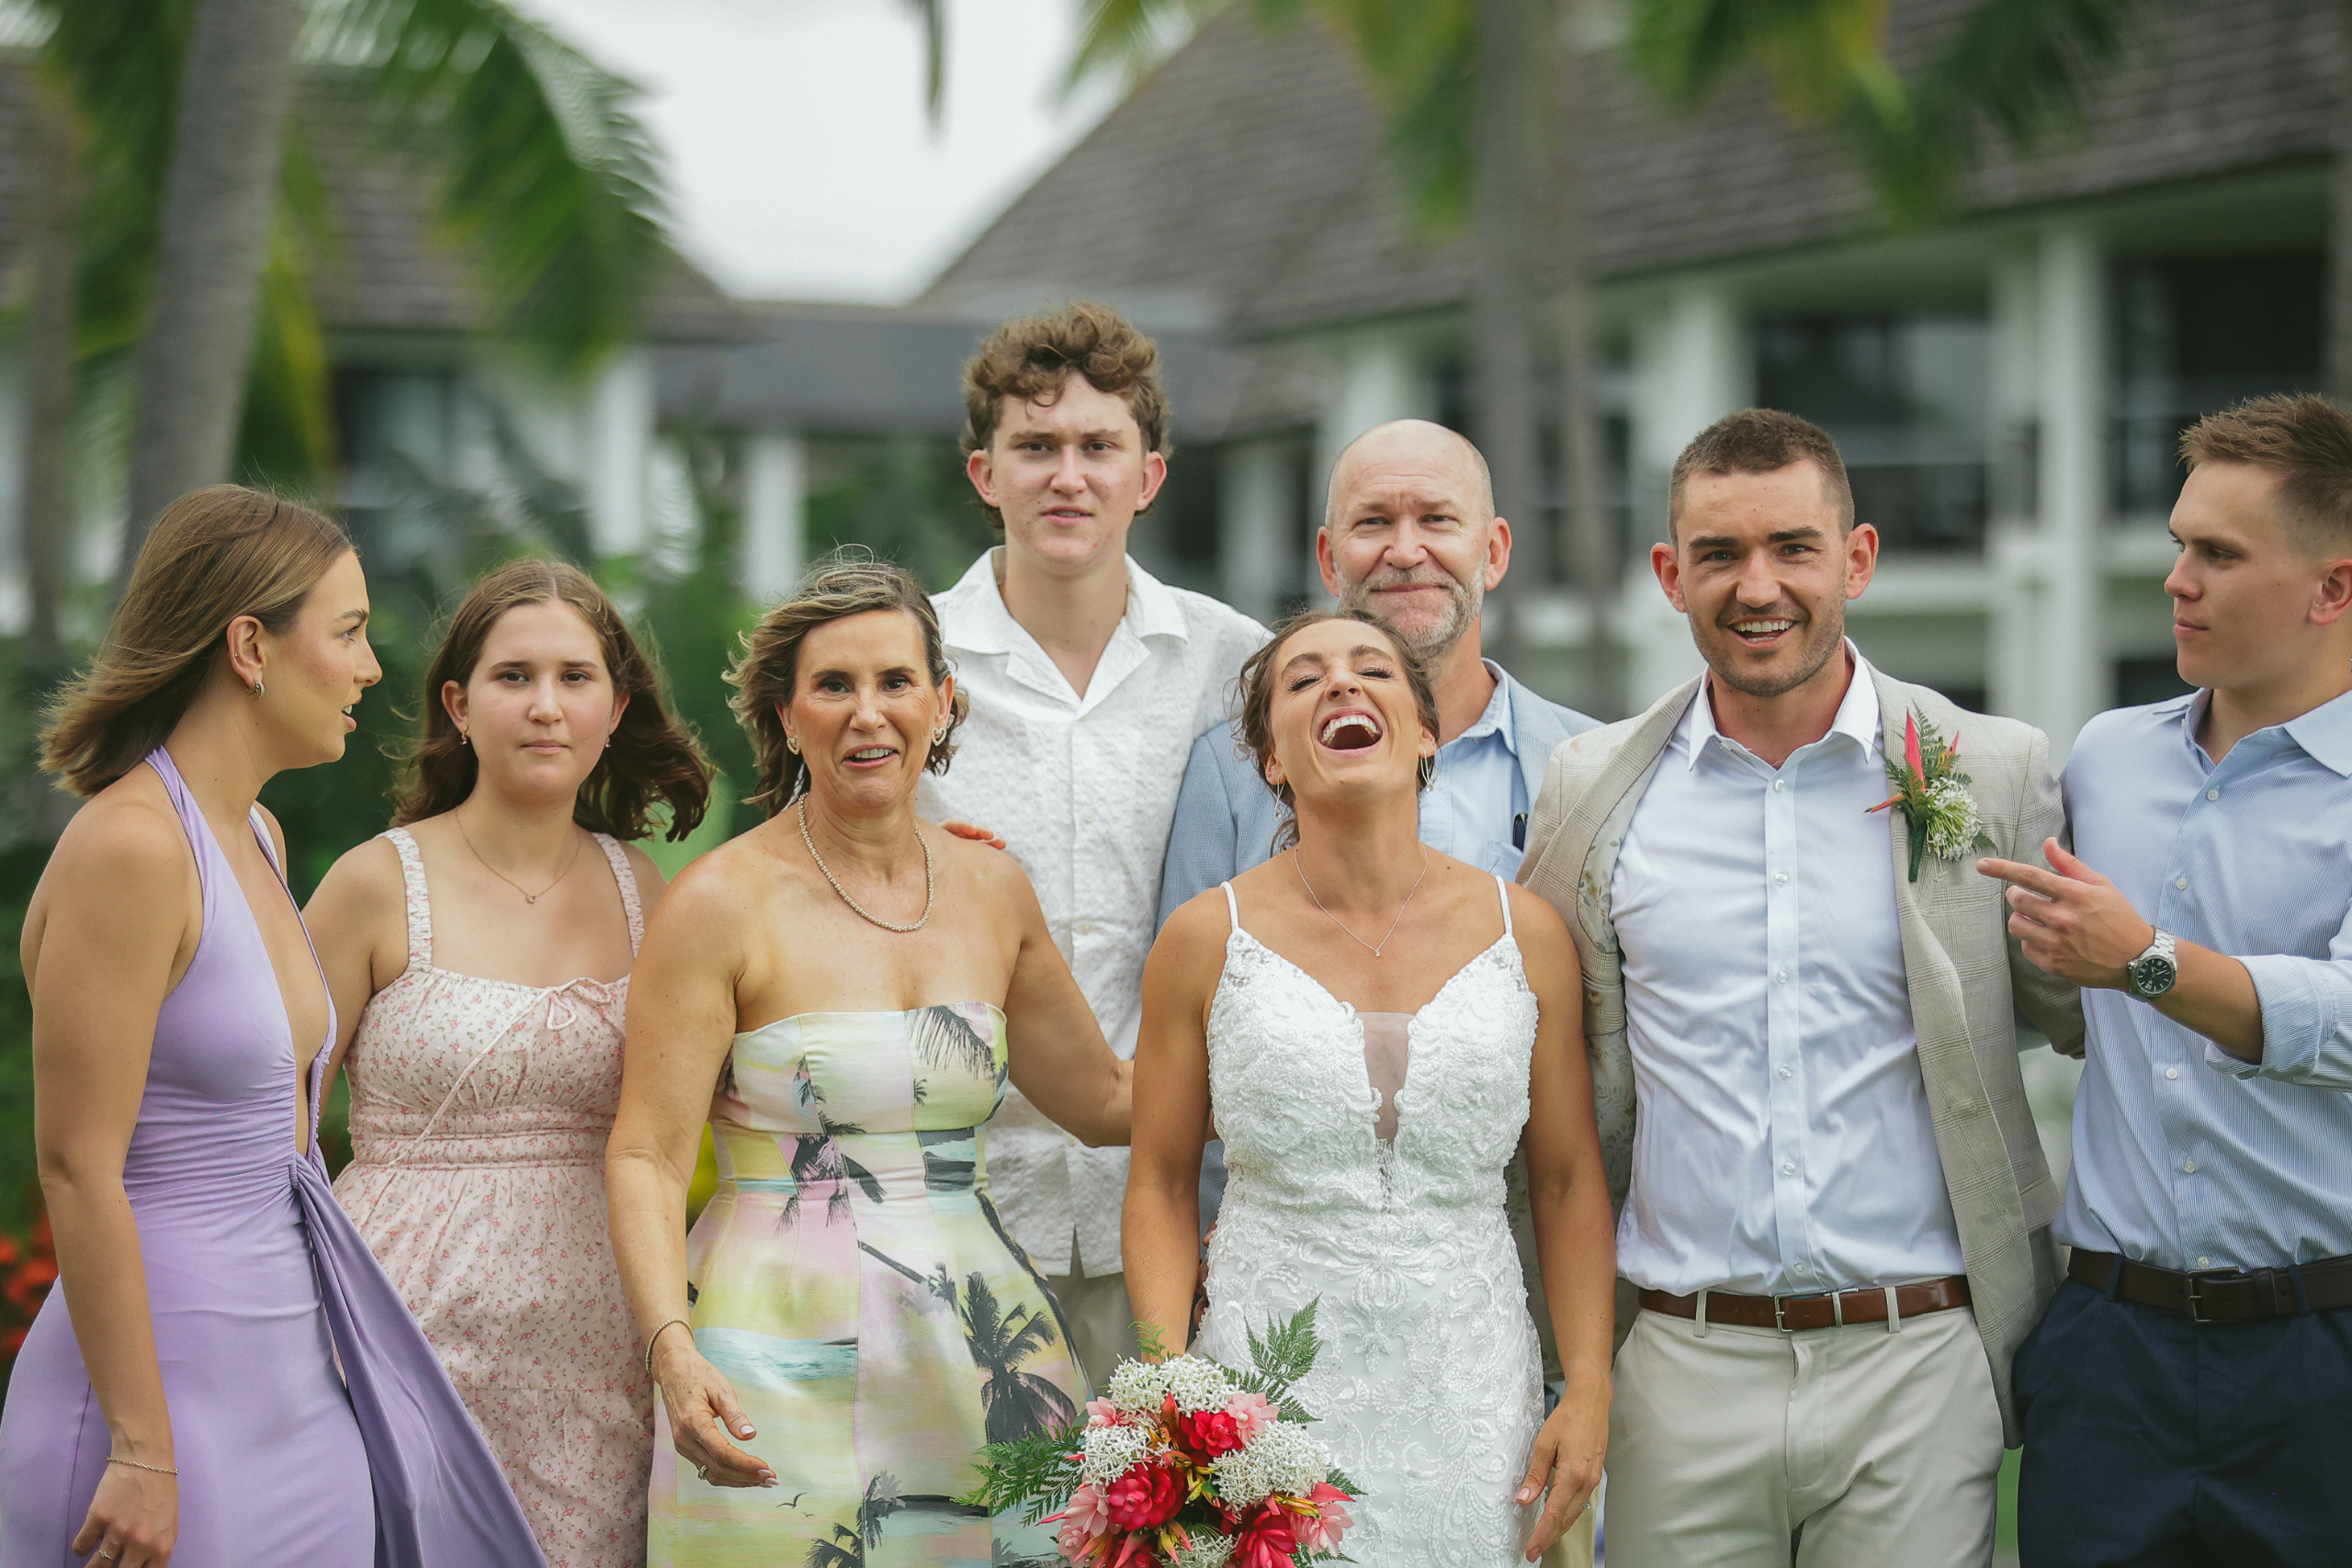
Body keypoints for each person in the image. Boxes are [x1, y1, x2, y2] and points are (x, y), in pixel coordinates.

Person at [1516, 410, 2082, 1568]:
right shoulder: (1588, 791)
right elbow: (1551, 1070)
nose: (1755, 585)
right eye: (1718, 555)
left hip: (1918, 1359)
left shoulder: (1997, 768)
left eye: (1792, 547)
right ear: (1671, 575)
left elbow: (2082, 1022)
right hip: (1681, 1361)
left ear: (1857, 560)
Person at [0, 486, 545, 1568]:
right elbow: (76, 1168)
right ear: (250, 645)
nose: (371, 667)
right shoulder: (133, 850)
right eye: (347, 633)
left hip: (290, 1386)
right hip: (154, 1404)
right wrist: (143, 1449)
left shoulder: (255, 832)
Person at [605, 552, 1134, 1567]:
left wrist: (1291, 1062)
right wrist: (673, 1349)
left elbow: (1106, 1098)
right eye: (833, 686)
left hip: (981, 1351)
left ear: (942, 702)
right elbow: (648, 1155)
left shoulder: (992, 888)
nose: (868, 713)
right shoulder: (720, 901)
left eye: (895, 681)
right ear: (786, 713)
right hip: (767, 1345)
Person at [1127, 608, 1617, 1568]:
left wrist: (1588, 1386)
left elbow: (1565, 1180)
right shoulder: (1201, 938)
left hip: (1470, 1388)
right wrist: (1170, 1393)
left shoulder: (1529, 935)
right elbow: (1159, 1176)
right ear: (1270, 757)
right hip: (1266, 1385)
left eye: (1371, 672)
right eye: (1304, 681)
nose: (1341, 687)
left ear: (1426, 732)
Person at [1982, 393, 2352, 1566]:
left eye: (2218, 555)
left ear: (2332, 589)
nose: (2176, 580)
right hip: (2108, 1348)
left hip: (2320, 1351)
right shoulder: (2106, 756)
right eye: (2178, 544)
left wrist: (2141, 962)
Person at [308, 559, 710, 1568]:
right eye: (512, 677)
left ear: (616, 708)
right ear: (458, 703)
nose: (545, 707)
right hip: (400, 1333)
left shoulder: (648, 895)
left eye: (575, 678)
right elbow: (269, 1120)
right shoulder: (373, 881)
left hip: (598, 1357)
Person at [922, 301, 1264, 1384]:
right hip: (948, 1205)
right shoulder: (902, 663)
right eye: (1035, 446)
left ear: (1148, 478)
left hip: (1170, 1202)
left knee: (1152, 1537)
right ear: (984, 473)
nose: (1066, 476)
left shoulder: (1234, 666)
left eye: (1097, 448)